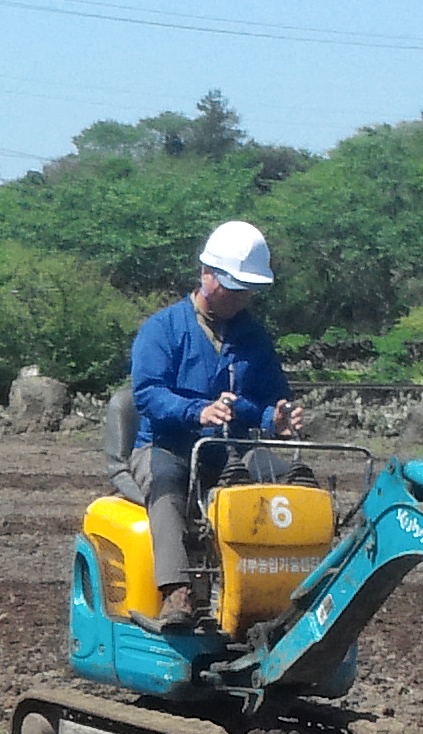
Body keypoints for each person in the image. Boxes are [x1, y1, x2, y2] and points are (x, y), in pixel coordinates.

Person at [119, 219, 293, 630]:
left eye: (246, 291)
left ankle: (282, 591)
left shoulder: (255, 338)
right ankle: (176, 594)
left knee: (293, 483)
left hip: (230, 450)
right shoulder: (163, 329)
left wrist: (275, 418)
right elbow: (147, 394)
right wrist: (197, 412)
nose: (239, 298)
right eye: (232, 287)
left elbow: (268, 401)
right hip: (166, 446)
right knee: (166, 490)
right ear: (206, 273)